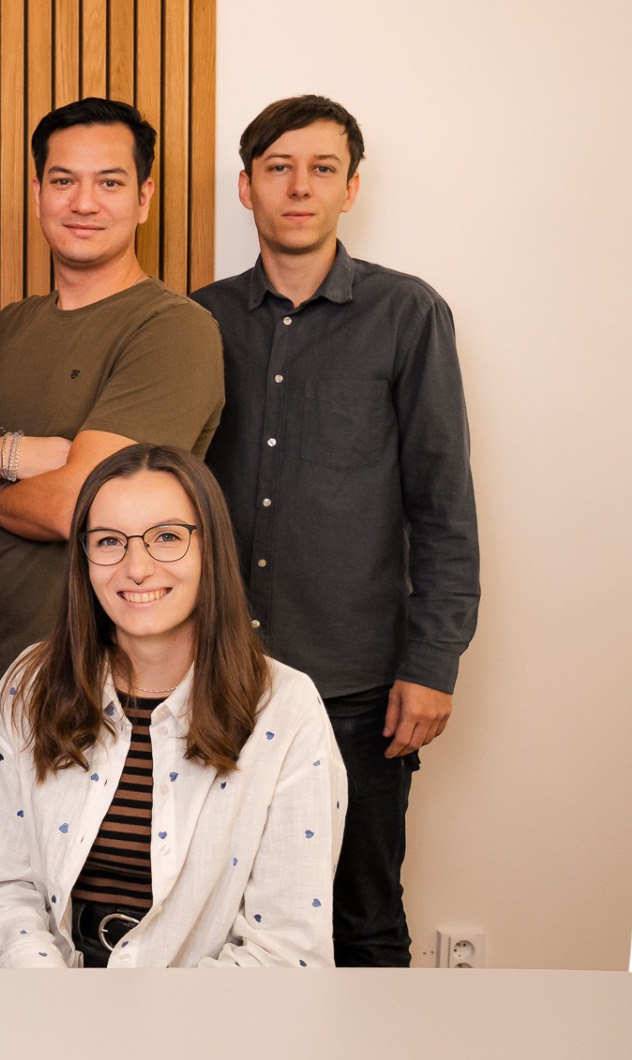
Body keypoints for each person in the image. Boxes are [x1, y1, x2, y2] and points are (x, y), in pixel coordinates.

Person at [0, 97, 225, 964]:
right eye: (63, 180)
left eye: (110, 182)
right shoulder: (1, 335)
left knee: (93, 950)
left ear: (144, 198)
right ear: (37, 193)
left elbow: (83, 510)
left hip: (118, 691)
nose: (84, 202)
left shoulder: (173, 329)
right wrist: (19, 456)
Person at [195, 95, 479, 967]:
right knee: (209, 915)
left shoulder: (408, 314)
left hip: (355, 684)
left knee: (363, 920)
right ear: (245, 187)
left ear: (351, 189)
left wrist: (431, 665)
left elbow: (443, 504)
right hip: (217, 674)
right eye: (278, 168)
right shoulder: (196, 321)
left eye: (322, 169)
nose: (299, 187)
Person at [0, 444, 345, 968]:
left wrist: (150, 1012)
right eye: (109, 541)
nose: (136, 568)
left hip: (204, 1009)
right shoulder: (31, 684)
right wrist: (52, 994)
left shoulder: (286, 709)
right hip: (37, 990)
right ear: (84, 559)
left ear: (211, 549)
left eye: (166, 537)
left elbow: (285, 948)